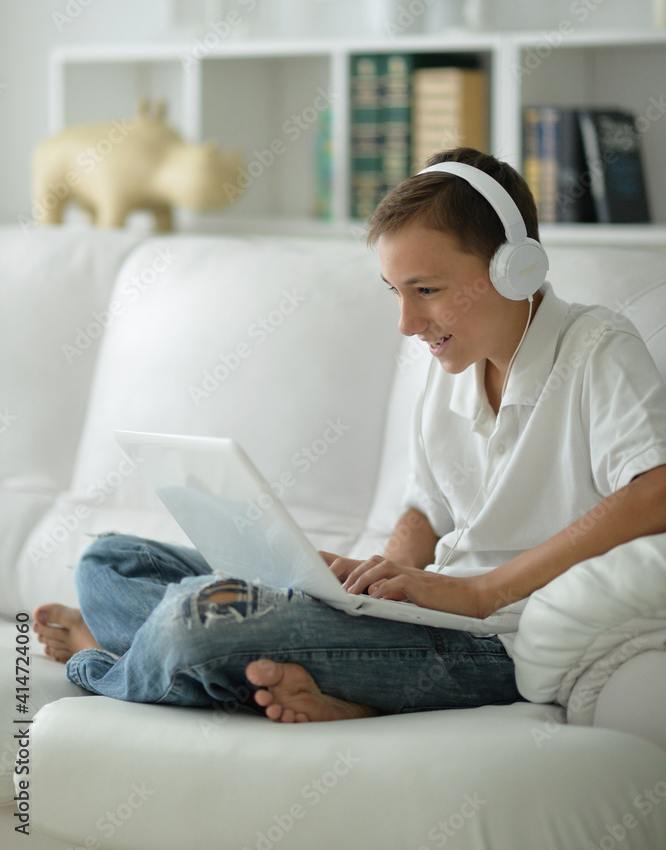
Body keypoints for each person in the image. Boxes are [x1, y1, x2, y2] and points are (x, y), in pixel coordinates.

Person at [33, 147, 666, 724]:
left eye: (427, 291)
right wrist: (379, 579)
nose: (407, 322)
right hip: (421, 619)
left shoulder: (596, 349)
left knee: (195, 619)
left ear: (513, 270)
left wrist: (477, 592)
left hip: (492, 643)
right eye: (396, 293)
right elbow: (426, 510)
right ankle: (323, 688)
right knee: (110, 561)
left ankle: (110, 659)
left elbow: (655, 490)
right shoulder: (452, 369)